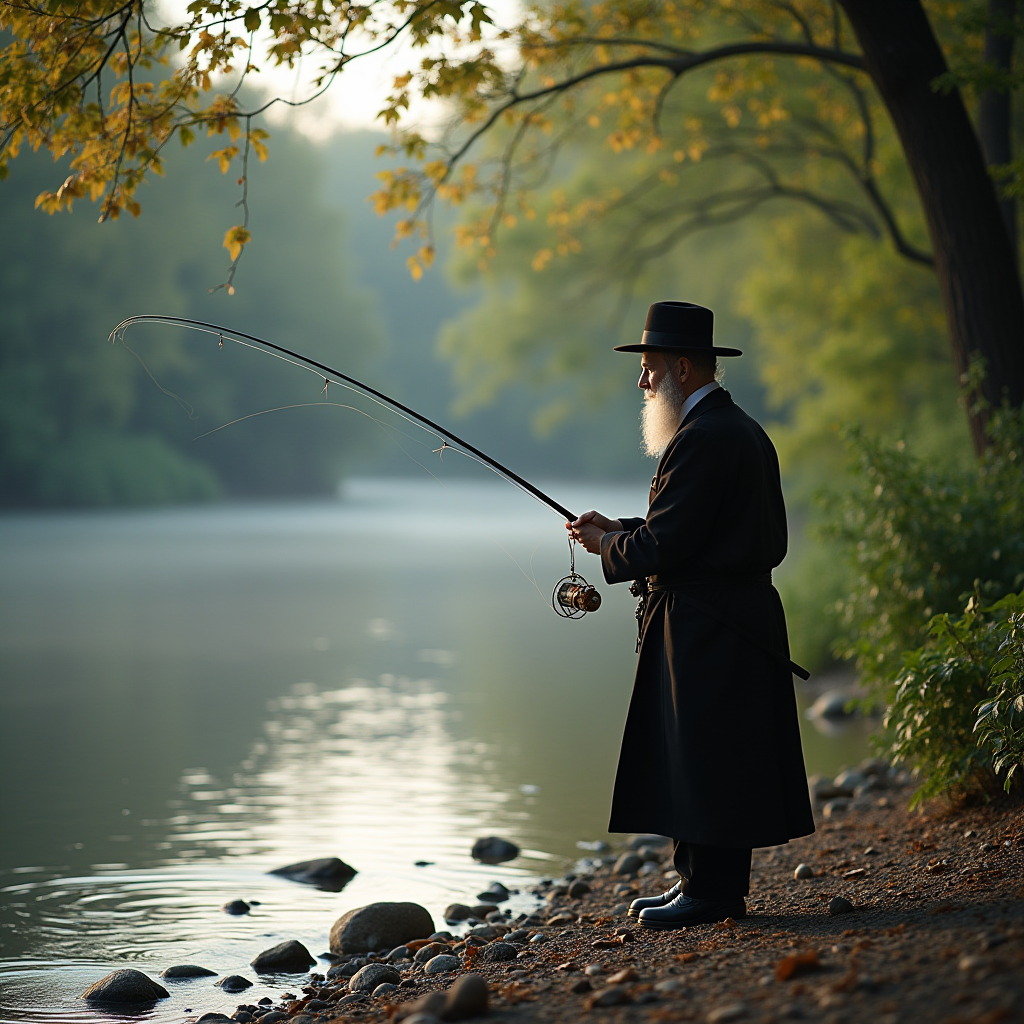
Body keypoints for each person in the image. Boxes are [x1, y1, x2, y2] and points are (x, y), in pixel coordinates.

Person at [569, 300, 815, 928]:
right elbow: (690, 531)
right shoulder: (739, 431)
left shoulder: (702, 439)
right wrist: (619, 529)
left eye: (649, 367)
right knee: (707, 753)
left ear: (682, 367)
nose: (643, 381)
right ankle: (701, 887)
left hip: (710, 625)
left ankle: (711, 894)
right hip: (728, 615)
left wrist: (609, 546)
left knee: (707, 755)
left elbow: (666, 545)